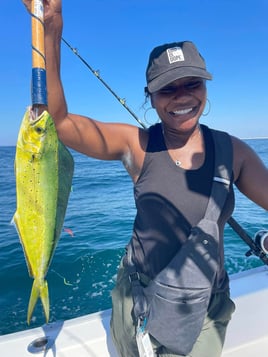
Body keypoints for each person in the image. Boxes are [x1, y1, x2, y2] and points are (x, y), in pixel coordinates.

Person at [23, 1, 268, 356]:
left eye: (192, 84)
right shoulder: (136, 146)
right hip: (137, 300)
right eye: (168, 88)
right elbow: (60, 123)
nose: (182, 96)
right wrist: (52, 27)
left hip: (205, 310)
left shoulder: (235, 152)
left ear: (205, 87)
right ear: (150, 97)